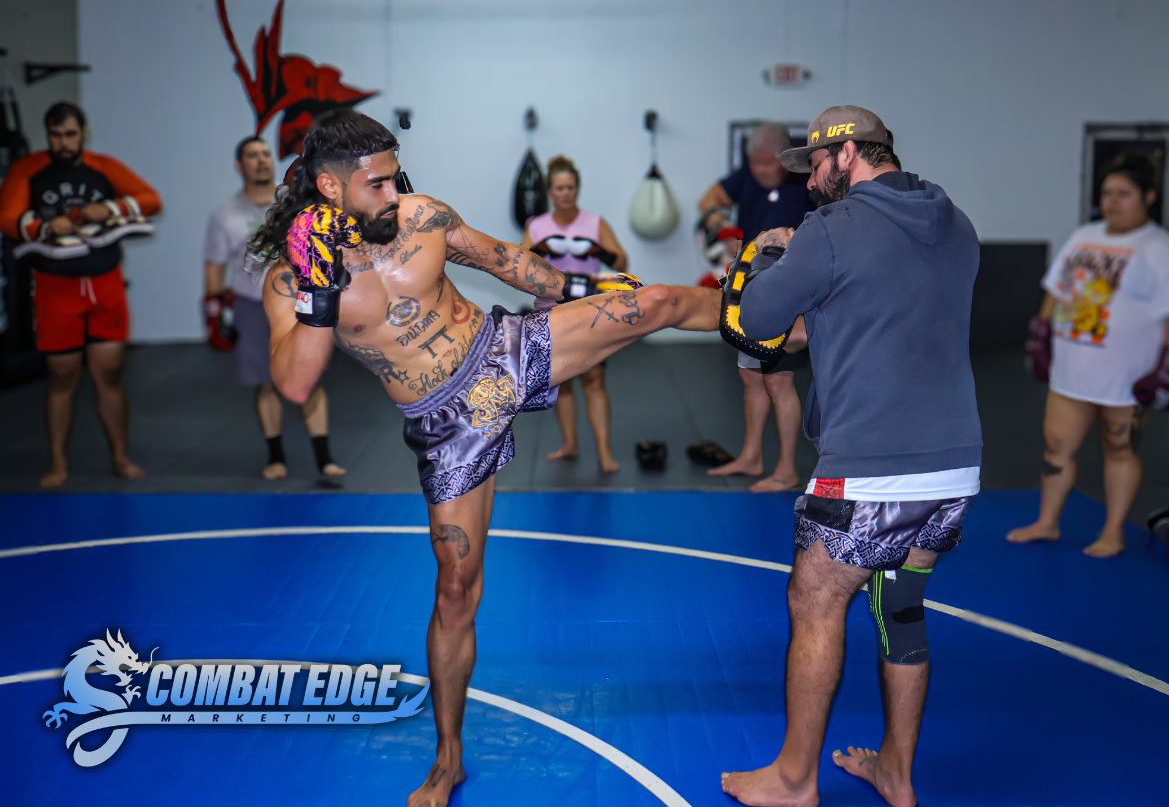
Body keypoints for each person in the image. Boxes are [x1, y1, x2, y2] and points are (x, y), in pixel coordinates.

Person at [250, 112, 719, 807]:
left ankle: (790, 320)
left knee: (655, 301)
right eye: (377, 182)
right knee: (455, 591)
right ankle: (447, 759)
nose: (395, 189)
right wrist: (322, 285)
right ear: (329, 186)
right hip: (445, 424)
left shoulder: (422, 215)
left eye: (394, 173)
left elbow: (507, 261)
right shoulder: (292, 281)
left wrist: (588, 291)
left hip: (501, 351)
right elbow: (293, 382)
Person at [718, 106, 982, 807]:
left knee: (814, 598)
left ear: (850, 155)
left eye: (817, 166)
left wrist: (772, 254)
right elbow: (880, 305)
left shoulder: (829, 229)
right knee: (900, 607)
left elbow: (758, 322)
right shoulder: (954, 220)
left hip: (870, 466)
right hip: (956, 464)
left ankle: (794, 779)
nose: (809, 181)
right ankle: (896, 772)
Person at [1008, 153, 1169, 558]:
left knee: (1120, 450)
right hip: (1071, 372)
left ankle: (1113, 531)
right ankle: (1047, 522)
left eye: (1123, 193)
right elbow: (1056, 290)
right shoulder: (1084, 236)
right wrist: (1040, 334)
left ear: (1148, 196)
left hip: (1127, 378)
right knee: (1055, 447)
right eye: (1107, 192)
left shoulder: (1162, 249)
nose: (1113, 200)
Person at [0, 101, 162, 487]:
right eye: (56, 135)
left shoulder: (102, 166)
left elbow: (151, 199)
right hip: (56, 289)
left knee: (110, 373)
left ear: (83, 133)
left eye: (70, 134)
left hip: (104, 283)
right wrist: (40, 226)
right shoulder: (29, 168)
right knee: (62, 376)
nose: (63, 142)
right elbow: (6, 217)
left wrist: (109, 208)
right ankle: (57, 463)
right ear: (48, 135)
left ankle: (120, 457)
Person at [204, 135, 346, 481]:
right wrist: (213, 310)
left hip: (297, 301)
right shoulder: (226, 214)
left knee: (310, 378)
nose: (261, 161)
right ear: (240, 167)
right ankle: (276, 457)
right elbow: (215, 263)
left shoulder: (295, 203)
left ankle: (324, 458)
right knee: (265, 382)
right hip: (252, 305)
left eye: (265, 154)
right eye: (252, 156)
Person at [698, 122, 811, 492]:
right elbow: (708, 200)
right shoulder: (745, 177)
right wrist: (723, 230)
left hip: (790, 288)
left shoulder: (805, 180)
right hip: (748, 288)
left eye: (769, 164)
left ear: (784, 157)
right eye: (756, 163)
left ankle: (786, 469)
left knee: (779, 380)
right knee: (751, 378)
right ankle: (751, 457)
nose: (762, 171)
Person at [521, 155, 628, 473]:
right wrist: (540, 250)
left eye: (570, 187)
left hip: (588, 309)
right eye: (559, 188)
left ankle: (605, 453)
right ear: (550, 192)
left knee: (594, 379)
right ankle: (569, 443)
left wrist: (599, 251)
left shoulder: (595, 223)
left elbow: (622, 264)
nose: (566, 193)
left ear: (577, 189)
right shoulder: (538, 226)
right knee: (562, 381)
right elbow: (519, 266)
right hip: (552, 310)